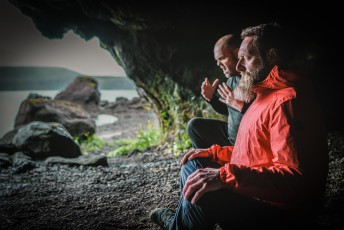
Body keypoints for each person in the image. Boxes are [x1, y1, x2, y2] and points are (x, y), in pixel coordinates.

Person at [150, 23, 329, 229]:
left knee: (198, 175)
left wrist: (224, 176)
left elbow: (298, 182)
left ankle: (176, 224)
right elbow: (256, 154)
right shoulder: (264, 95)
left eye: (247, 58)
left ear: (271, 56)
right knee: (197, 163)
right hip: (261, 198)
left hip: (281, 213)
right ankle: (180, 223)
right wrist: (216, 154)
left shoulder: (288, 102)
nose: (239, 66)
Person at [187, 34, 251, 148]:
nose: (218, 64)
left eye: (221, 58)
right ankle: (206, 159)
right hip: (231, 139)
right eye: (217, 60)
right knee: (194, 126)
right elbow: (227, 110)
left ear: (237, 53)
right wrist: (212, 99)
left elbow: (263, 116)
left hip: (249, 141)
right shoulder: (231, 81)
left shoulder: (254, 79)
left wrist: (241, 106)